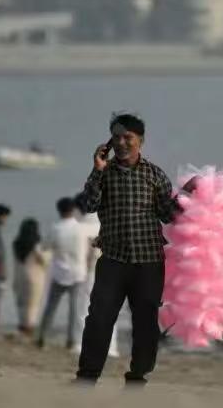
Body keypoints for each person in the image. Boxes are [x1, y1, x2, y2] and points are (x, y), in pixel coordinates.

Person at [75, 113, 179, 386]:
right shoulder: (104, 173)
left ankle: (137, 377)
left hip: (149, 263)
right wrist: (97, 170)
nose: (121, 143)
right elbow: (87, 205)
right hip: (113, 261)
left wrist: (190, 197)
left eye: (128, 138)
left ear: (140, 141)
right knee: (99, 319)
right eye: (116, 137)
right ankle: (86, 377)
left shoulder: (155, 175)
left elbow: (168, 214)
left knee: (146, 324)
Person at [36, 197, 87, 348]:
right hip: (78, 273)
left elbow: (44, 247)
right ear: (73, 210)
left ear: (59, 211)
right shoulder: (81, 229)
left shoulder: (55, 229)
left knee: (51, 307)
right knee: (74, 309)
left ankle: (42, 337)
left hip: (59, 273)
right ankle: (71, 340)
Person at [72, 212, 120, 358]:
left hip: (91, 274)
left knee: (84, 310)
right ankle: (111, 347)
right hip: (111, 275)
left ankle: (80, 343)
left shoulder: (81, 228)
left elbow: (82, 256)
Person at [11, 218, 49, 335]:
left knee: (21, 303)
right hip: (34, 277)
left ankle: (22, 325)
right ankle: (29, 327)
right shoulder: (36, 245)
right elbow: (44, 260)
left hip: (19, 276)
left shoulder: (16, 244)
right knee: (33, 304)